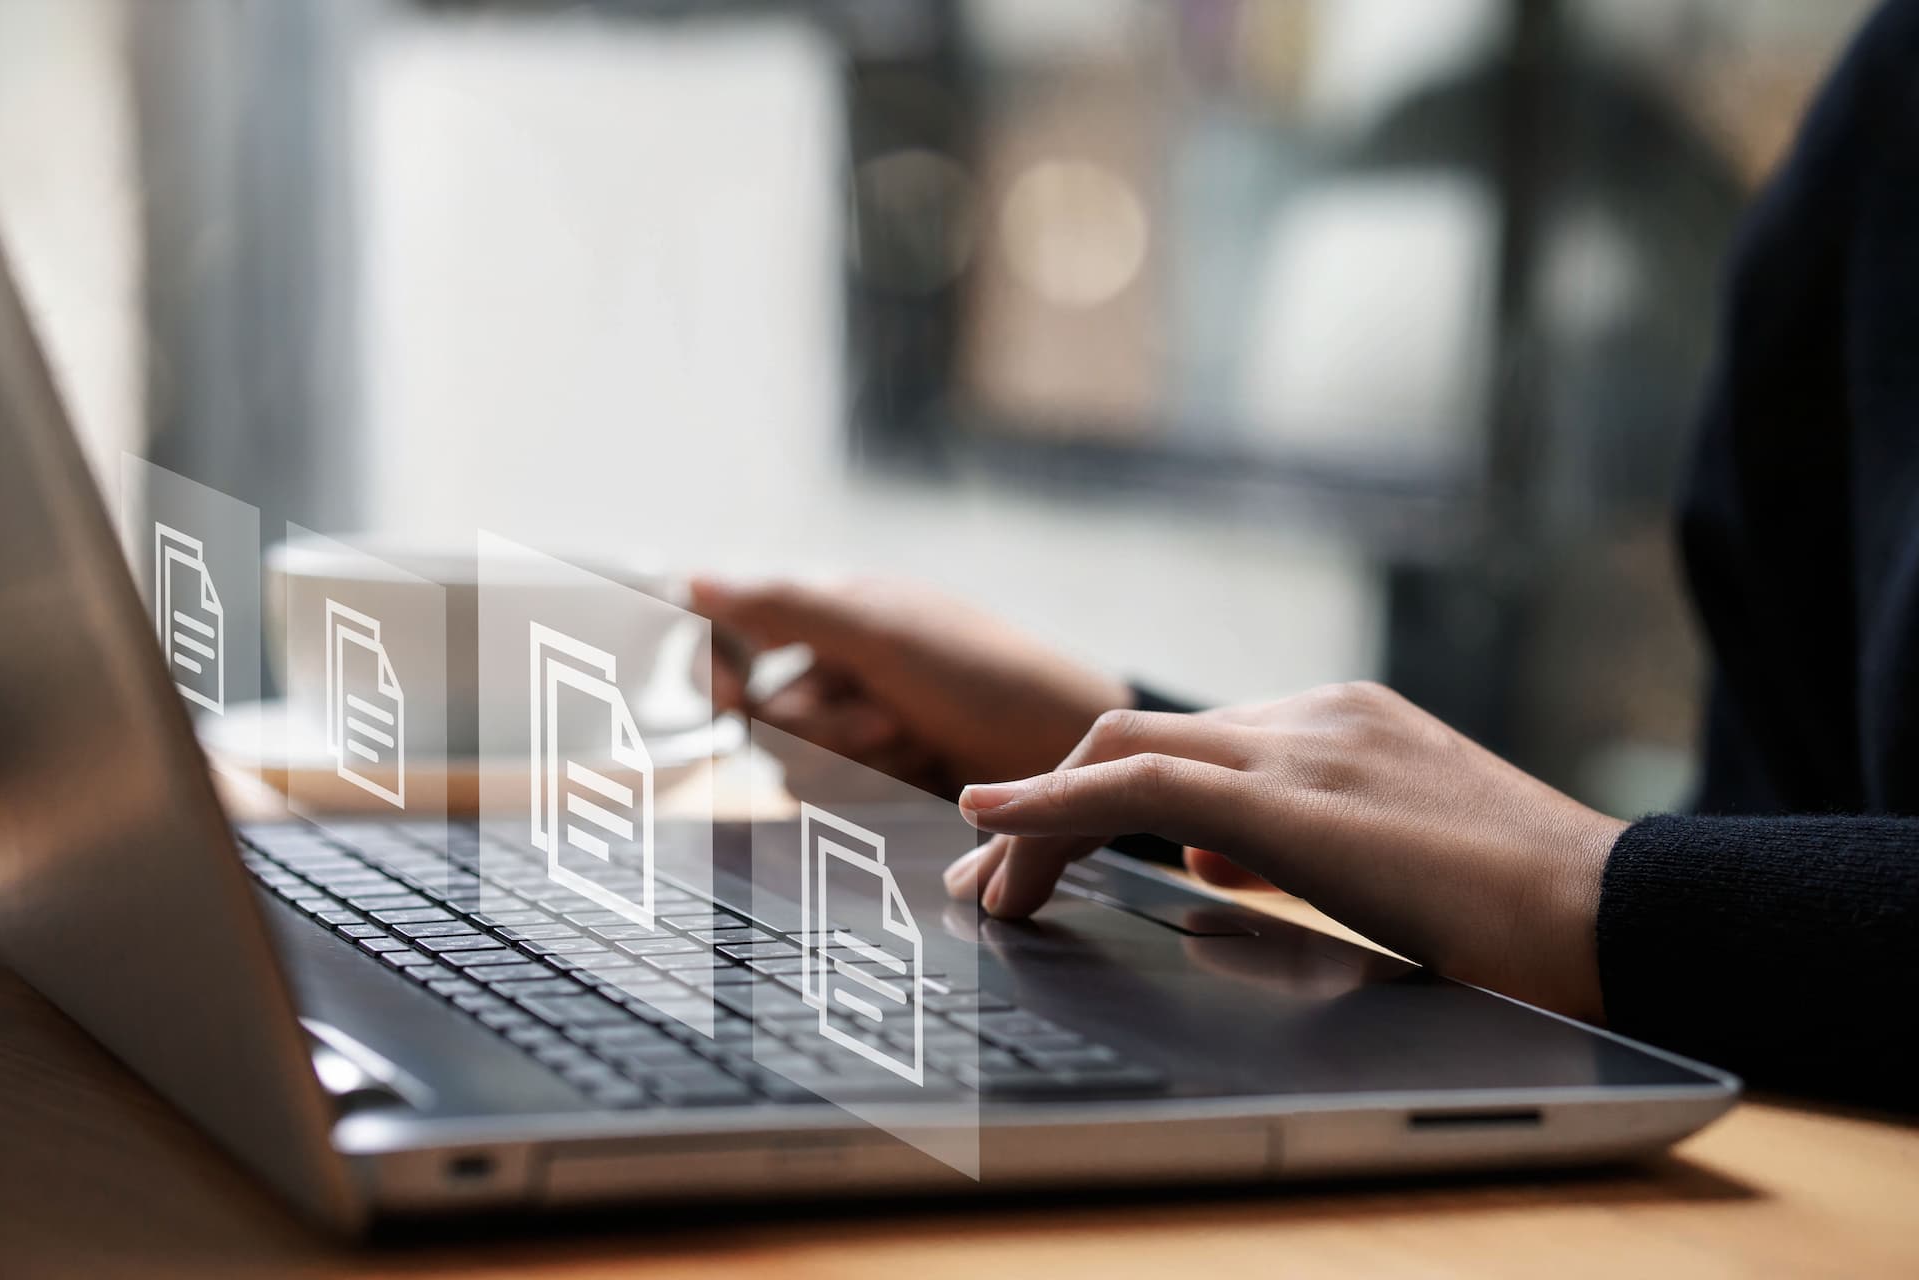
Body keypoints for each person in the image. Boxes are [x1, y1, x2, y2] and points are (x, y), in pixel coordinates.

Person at [695, 0, 1919, 1111]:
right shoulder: (1888, 110)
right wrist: (1110, 741)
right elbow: (1778, 841)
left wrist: (1589, 887)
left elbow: (1695, 907)